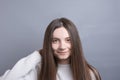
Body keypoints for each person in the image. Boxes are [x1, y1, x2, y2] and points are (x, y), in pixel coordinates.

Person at [0, 17, 101, 80]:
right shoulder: (39, 71)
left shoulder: (90, 74)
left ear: (75, 42)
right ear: (48, 43)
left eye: (68, 40)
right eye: (55, 41)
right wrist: (38, 54)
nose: (62, 46)